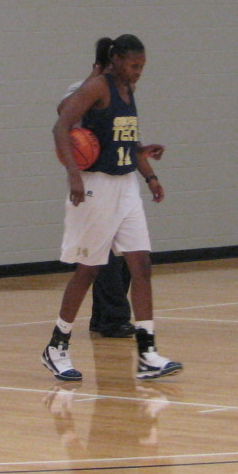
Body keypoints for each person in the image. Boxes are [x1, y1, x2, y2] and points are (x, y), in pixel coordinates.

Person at [45, 34, 181, 382]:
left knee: (142, 265)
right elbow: (61, 125)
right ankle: (57, 346)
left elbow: (124, 139)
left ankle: (147, 351)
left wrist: (148, 172)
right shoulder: (97, 87)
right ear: (117, 60)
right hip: (95, 186)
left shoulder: (127, 90)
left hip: (125, 187)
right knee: (88, 269)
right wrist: (73, 175)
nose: (139, 72)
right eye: (134, 65)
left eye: (142, 67)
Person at [60, 59, 135, 339]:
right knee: (103, 257)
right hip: (93, 183)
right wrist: (91, 82)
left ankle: (103, 316)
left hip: (118, 184)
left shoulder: (123, 92)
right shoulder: (81, 90)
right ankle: (114, 317)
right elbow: (61, 114)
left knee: (124, 252)